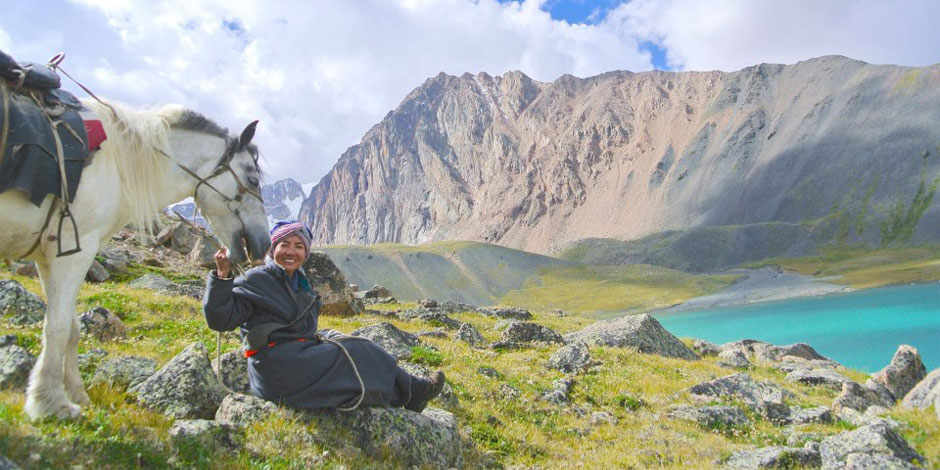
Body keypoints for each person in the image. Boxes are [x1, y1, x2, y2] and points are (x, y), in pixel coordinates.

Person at [202, 220, 444, 411]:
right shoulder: (256, 279)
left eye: (298, 246)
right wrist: (222, 277)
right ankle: (413, 392)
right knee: (358, 352)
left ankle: (409, 392)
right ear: (273, 249)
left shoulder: (300, 283)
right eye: (284, 245)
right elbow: (220, 320)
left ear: (306, 253)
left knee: (357, 346)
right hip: (277, 369)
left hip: (295, 360)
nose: (291, 252)